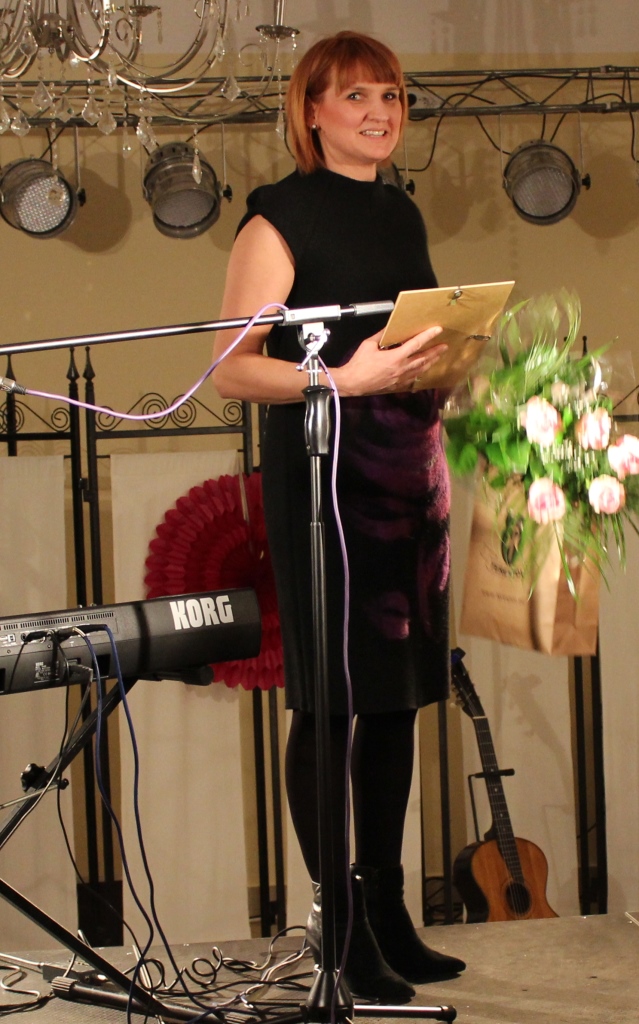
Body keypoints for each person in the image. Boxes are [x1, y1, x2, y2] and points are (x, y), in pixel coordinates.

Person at [212, 30, 465, 1003]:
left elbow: (399, 342)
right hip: (325, 478)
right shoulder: (277, 217)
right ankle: (340, 928)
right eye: (356, 95)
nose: (379, 112)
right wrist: (338, 379)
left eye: (391, 96)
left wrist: (451, 365)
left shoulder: (400, 213)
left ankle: (389, 909)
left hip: (406, 472)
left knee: (398, 695)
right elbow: (232, 368)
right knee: (331, 697)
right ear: (311, 111)